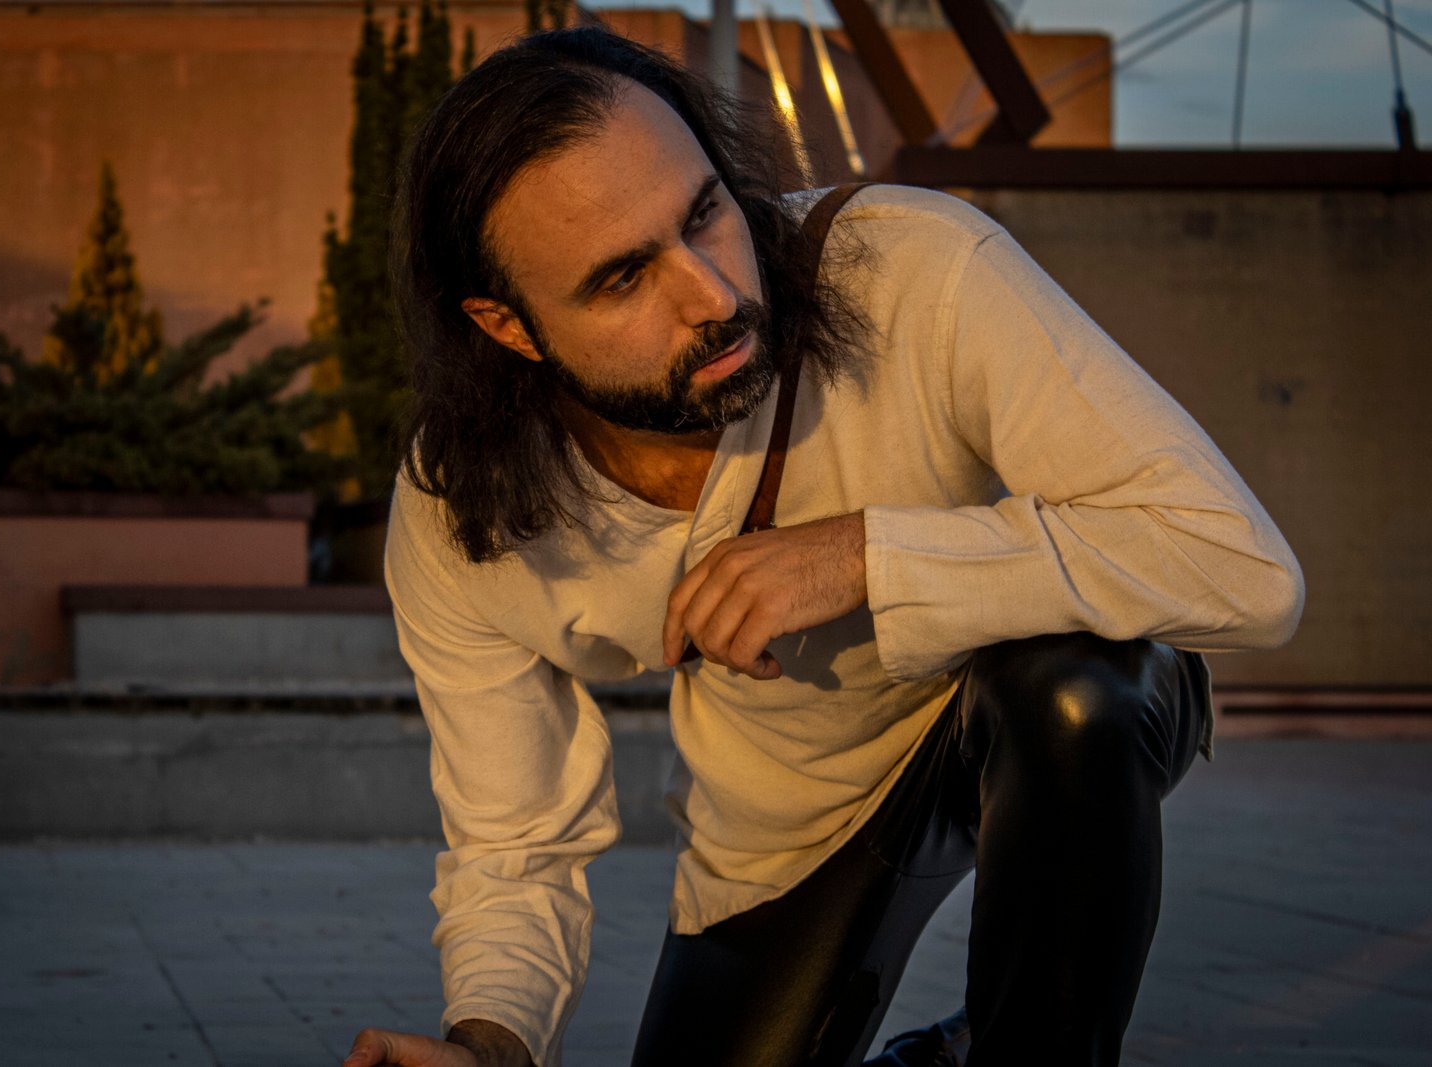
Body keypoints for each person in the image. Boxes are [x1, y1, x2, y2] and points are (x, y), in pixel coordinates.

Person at [344, 26, 1303, 1067]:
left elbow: (1241, 564)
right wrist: (488, 1041)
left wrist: (861, 557)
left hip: (1027, 702)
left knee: (1074, 688)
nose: (713, 296)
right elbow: (513, 838)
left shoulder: (912, 267)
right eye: (622, 279)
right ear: (506, 324)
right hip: (784, 833)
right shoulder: (466, 508)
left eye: (704, 214)